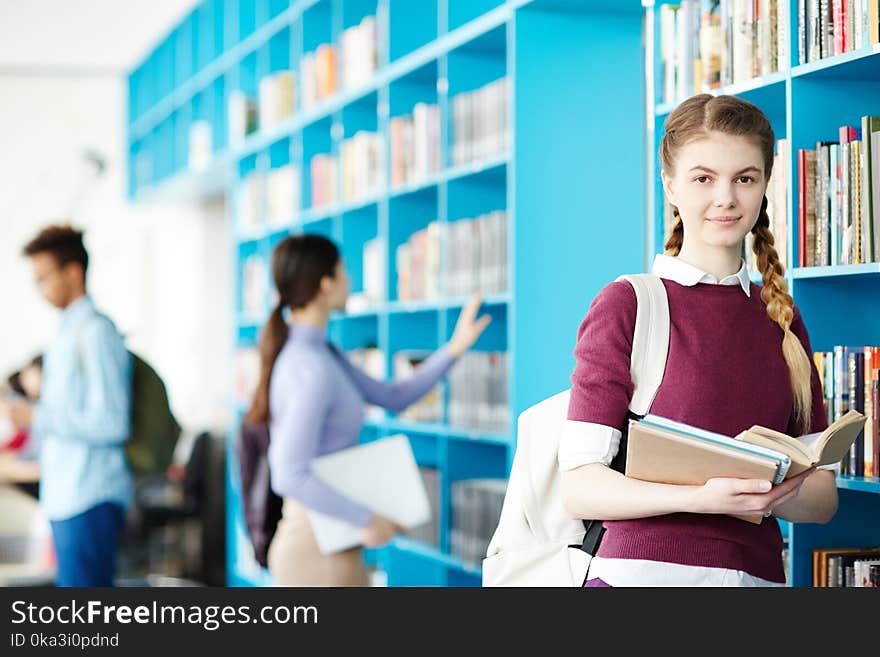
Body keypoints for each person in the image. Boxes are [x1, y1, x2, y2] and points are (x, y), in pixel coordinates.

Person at [559, 94, 837, 587]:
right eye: (703, 178)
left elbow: (822, 501)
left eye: (744, 179)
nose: (725, 198)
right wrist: (701, 498)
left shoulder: (783, 319)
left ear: (764, 185)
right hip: (639, 579)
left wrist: (768, 490)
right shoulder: (629, 303)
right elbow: (580, 487)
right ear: (670, 184)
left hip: (756, 581)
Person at [245, 234, 490, 586]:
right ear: (325, 284)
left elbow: (393, 397)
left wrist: (454, 349)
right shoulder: (309, 366)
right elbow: (289, 473)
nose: (350, 281)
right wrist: (365, 518)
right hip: (315, 550)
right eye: (343, 272)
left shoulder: (324, 354)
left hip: (332, 540)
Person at [0, 225, 132, 587]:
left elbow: (111, 422)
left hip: (88, 495)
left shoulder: (95, 332)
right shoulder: (64, 333)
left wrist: (37, 416)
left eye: (44, 278)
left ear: (72, 271)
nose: (40, 290)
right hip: (65, 494)